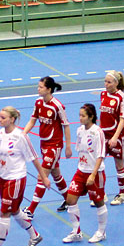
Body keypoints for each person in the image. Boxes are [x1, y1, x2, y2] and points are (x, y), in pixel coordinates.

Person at [0, 106, 50, 246]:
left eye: (3, 118)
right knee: (15, 210)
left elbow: (33, 157)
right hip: (3, 177)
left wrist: (43, 176)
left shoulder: (20, 136)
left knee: (4, 212)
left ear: (12, 119)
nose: (0, 120)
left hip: (16, 178)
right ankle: (35, 235)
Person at [23, 76, 72, 217]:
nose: (38, 89)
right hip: (43, 143)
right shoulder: (38, 103)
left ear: (49, 89)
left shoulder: (57, 106)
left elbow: (66, 126)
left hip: (54, 145)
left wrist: (68, 146)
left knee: (42, 176)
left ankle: (31, 210)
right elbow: (32, 121)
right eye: (38, 86)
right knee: (56, 174)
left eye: (41, 87)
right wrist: (22, 134)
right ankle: (69, 200)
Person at [60, 104, 109, 244]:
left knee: (98, 202)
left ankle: (101, 232)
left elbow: (100, 155)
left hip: (95, 173)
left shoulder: (98, 132)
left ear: (91, 117)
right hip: (81, 171)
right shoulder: (80, 130)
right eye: (79, 115)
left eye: (83, 116)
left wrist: (93, 174)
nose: (80, 118)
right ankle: (76, 232)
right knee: (70, 200)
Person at [100, 70, 124, 205]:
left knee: (119, 165)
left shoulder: (121, 97)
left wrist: (115, 138)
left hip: (117, 137)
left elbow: (122, 119)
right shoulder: (103, 94)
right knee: (99, 164)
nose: (106, 84)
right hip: (103, 136)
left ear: (116, 83)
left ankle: (122, 194)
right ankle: (101, 194)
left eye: (109, 82)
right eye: (105, 81)